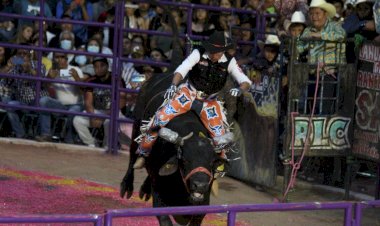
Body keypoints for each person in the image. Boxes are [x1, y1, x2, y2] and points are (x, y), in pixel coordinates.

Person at [133, 31, 252, 169]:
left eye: (218, 52)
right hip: (187, 93)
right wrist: (173, 85)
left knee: (220, 137)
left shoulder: (229, 61)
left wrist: (240, 89)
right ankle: (143, 152)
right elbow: (182, 69)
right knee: (159, 118)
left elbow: (245, 81)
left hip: (210, 102)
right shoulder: (198, 53)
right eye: (212, 51)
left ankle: (219, 163)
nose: (214, 54)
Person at [73, 57, 126, 149]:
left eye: (102, 66)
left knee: (108, 122)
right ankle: (91, 143)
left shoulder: (117, 79)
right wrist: (93, 116)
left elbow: (120, 103)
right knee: (77, 120)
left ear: (107, 66)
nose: (99, 69)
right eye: (96, 67)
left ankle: (107, 145)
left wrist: (103, 118)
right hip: (98, 110)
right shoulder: (92, 80)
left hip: (113, 111)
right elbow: (88, 102)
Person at [35, 52, 84, 143]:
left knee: (73, 111)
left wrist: (77, 78)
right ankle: (46, 135)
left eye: (62, 57)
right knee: (43, 101)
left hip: (76, 105)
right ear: (53, 59)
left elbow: (83, 91)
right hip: (59, 105)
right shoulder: (51, 71)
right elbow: (44, 88)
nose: (60, 59)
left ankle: (69, 139)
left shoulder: (75, 69)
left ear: (67, 59)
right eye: (57, 57)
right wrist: (49, 78)